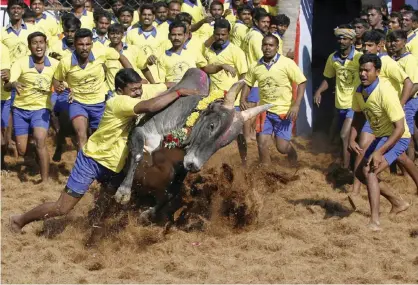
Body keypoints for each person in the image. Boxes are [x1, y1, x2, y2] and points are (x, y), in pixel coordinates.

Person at [10, 68, 200, 233]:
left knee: (110, 205)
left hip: (115, 166)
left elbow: (164, 85)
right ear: (120, 90)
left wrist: (190, 86)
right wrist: (179, 93)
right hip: (92, 161)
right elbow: (151, 105)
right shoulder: (118, 102)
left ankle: (90, 229)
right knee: (62, 208)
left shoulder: (139, 90)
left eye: (138, 88)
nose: (137, 92)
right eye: (133, 90)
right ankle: (20, 220)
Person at [349, 54, 411, 231]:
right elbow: (358, 115)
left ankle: (375, 221)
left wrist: (379, 151)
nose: (363, 74)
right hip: (382, 135)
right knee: (361, 173)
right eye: (361, 70)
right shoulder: (359, 91)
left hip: (399, 137)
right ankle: (398, 203)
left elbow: (399, 128)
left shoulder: (386, 92)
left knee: (369, 172)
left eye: (367, 70)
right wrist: (351, 138)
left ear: (377, 72)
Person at [351, 30, 417, 195]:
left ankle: (412, 183)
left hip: (390, 114)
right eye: (363, 45)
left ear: (379, 45)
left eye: (369, 45)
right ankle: (355, 190)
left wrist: (400, 104)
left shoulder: (386, 62)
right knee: (363, 146)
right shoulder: (363, 63)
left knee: (399, 154)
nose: (365, 49)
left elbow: (408, 83)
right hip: (373, 113)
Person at [53, 28, 133, 150]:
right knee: (81, 135)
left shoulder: (102, 52)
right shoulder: (65, 62)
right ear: (74, 44)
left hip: (99, 102)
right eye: (80, 44)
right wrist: (58, 87)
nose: (84, 48)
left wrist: (132, 76)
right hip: (77, 102)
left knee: (99, 137)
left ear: (92, 44)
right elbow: (56, 78)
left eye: (87, 44)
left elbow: (120, 57)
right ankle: (82, 165)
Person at [241, 35, 307, 165]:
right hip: (264, 111)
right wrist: (242, 99)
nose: (267, 48)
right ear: (261, 47)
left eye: (271, 45)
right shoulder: (255, 65)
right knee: (262, 143)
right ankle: (265, 173)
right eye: (265, 45)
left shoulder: (287, 63)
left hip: (284, 112)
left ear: (277, 48)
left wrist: (296, 105)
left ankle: (293, 158)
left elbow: (302, 82)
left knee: (282, 147)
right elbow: (248, 83)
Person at [4, 32, 59, 182]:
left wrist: (61, 86)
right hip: (20, 110)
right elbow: (7, 86)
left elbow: (60, 81)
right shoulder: (20, 63)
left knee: (40, 139)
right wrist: (13, 84)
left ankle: (45, 180)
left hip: (41, 109)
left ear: (46, 44)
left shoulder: (54, 64)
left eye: (41, 42)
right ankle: (37, 158)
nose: (38, 46)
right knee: (22, 150)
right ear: (29, 46)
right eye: (34, 43)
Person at [314, 25, 361, 171]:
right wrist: (319, 92)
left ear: (352, 41)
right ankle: (350, 166)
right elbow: (328, 78)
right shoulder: (332, 58)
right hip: (340, 105)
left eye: (345, 38)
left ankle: (345, 169)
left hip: (355, 104)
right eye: (339, 38)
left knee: (343, 135)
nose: (341, 41)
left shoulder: (359, 57)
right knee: (345, 140)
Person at [203, 19, 248, 164]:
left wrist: (238, 96)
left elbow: (244, 76)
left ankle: (244, 160)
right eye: (217, 34)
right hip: (212, 99)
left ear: (228, 34)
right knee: (212, 131)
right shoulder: (208, 50)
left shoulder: (236, 51)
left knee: (238, 133)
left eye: (223, 35)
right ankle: (213, 162)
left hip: (231, 100)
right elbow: (204, 69)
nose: (220, 38)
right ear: (213, 34)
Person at [387, 30, 418, 162]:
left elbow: (415, 84)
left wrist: (402, 103)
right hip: (398, 102)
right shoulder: (394, 59)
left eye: (397, 41)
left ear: (404, 42)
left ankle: (408, 174)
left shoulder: (409, 60)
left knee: (407, 137)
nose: (393, 44)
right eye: (391, 41)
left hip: (408, 103)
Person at [241, 8, 270, 137]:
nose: (266, 24)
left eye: (268, 22)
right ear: (256, 22)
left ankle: (249, 135)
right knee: (252, 109)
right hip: (256, 77)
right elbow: (264, 57)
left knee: (253, 109)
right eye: (263, 21)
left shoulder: (250, 33)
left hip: (251, 76)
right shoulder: (257, 36)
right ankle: (247, 137)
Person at [106, 23, 156, 92]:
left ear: (123, 35)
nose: (115, 36)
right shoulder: (104, 52)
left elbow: (144, 68)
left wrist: (153, 84)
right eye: (112, 33)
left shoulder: (134, 49)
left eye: (118, 33)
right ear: (108, 35)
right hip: (114, 91)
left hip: (134, 89)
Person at [126, 3, 167, 83]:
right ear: (140, 16)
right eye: (144, 14)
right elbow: (128, 55)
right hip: (137, 77)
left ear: (154, 17)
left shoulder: (162, 35)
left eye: (149, 15)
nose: (147, 17)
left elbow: (164, 57)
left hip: (157, 77)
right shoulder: (131, 33)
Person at [1, 0, 35, 65]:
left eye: (18, 8)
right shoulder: (2, 32)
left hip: (29, 70)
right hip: (9, 71)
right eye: (13, 8)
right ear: (8, 11)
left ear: (23, 11)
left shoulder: (33, 29)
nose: (16, 11)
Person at [1, 43, 12, 168]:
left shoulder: (2, 48)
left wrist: (6, 77)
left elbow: (6, 73)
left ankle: (1, 163)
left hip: (3, 98)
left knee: (3, 141)